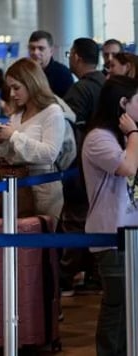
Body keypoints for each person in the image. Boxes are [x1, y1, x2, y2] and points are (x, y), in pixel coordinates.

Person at [83, 75, 138, 356]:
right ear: (123, 104)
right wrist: (133, 134)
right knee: (117, 304)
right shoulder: (98, 138)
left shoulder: (123, 137)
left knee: (131, 305)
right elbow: (127, 167)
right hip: (111, 233)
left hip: (130, 232)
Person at [58, 38, 106, 295]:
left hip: (81, 168)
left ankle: (65, 277)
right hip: (105, 168)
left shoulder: (80, 91)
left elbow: (68, 131)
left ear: (75, 56)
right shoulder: (107, 85)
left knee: (75, 220)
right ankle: (96, 276)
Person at [0, 58, 65, 220]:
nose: (12, 94)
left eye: (16, 88)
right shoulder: (17, 115)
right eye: (10, 88)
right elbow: (10, 155)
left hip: (44, 189)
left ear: (32, 83)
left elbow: (50, 153)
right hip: (19, 188)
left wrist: (13, 136)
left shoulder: (53, 112)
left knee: (43, 242)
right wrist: (2, 141)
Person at [28, 30, 74, 97]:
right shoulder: (24, 72)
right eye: (32, 48)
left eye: (41, 48)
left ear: (51, 51)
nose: (35, 52)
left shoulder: (62, 74)